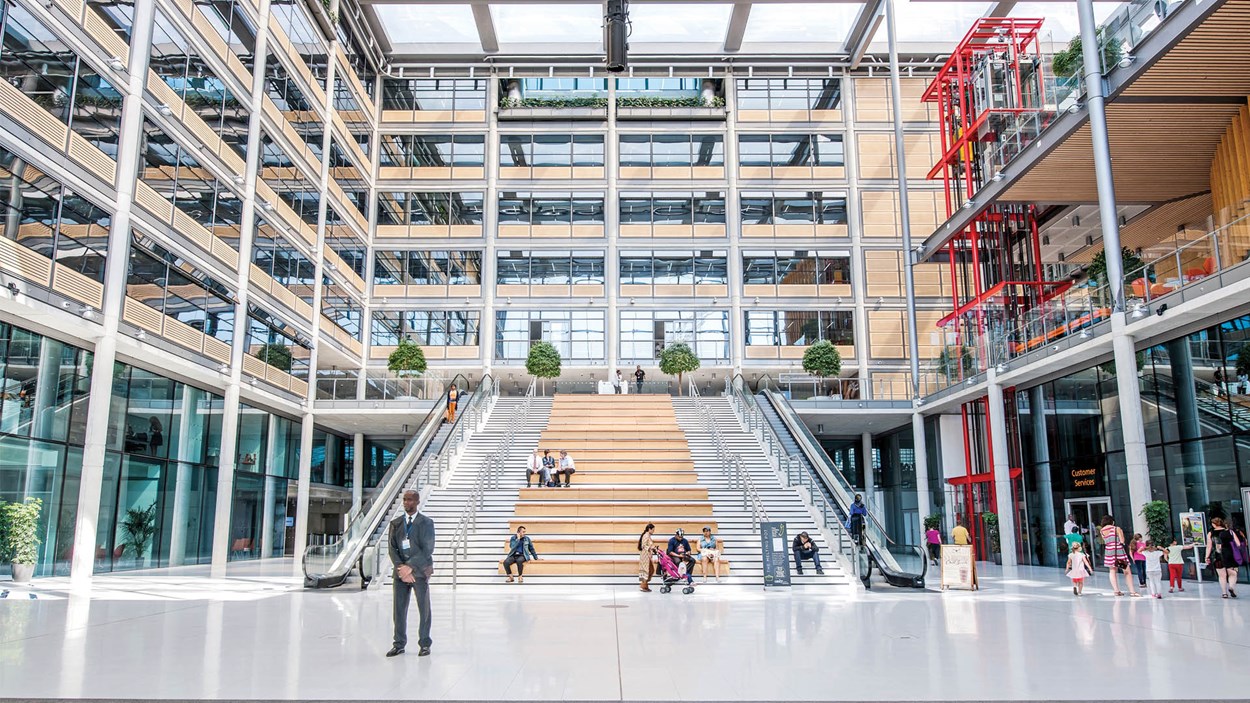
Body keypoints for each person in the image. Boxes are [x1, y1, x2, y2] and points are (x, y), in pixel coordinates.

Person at [387, 490, 434, 658]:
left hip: (420, 572)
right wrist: (401, 567)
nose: (407, 503)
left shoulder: (426, 523)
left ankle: (424, 643)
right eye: (405, 500)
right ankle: (399, 644)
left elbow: (428, 549)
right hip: (400, 574)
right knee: (398, 609)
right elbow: (392, 549)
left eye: (410, 500)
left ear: (417, 501)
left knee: (424, 609)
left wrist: (410, 568)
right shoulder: (396, 523)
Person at [1099, 515, 1139, 597]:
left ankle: (1116, 591)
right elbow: (1122, 540)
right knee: (1126, 571)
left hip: (1109, 551)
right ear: (1112, 521)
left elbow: (1105, 540)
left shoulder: (1102, 530)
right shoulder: (1116, 528)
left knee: (1112, 571)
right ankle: (1132, 591)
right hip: (1118, 552)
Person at [1206, 516, 1243, 598]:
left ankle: (1224, 593)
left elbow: (1209, 546)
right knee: (1232, 574)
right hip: (1229, 555)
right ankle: (1231, 587)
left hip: (1218, 556)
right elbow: (1238, 544)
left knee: (1222, 576)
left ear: (1213, 524)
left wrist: (1207, 557)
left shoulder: (1211, 533)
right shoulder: (1230, 531)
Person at [638, 523, 657, 592]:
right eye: (653, 530)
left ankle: (645, 585)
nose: (653, 531)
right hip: (645, 556)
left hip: (647, 556)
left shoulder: (647, 535)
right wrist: (651, 548)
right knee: (647, 570)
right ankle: (643, 586)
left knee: (650, 570)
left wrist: (653, 548)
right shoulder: (646, 535)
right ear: (649, 529)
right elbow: (643, 545)